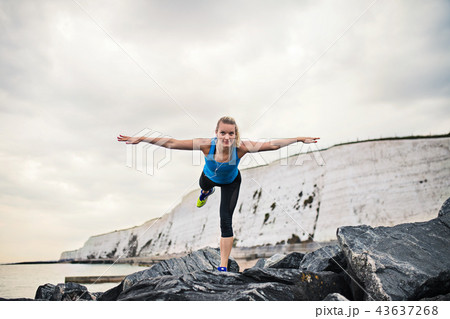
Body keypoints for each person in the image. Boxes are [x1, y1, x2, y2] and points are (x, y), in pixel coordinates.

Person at [117, 116, 319, 272]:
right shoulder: (206, 144)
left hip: (231, 183)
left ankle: (222, 266)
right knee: (203, 184)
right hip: (209, 178)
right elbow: (171, 143)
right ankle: (206, 192)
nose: (227, 137)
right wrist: (141, 138)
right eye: (223, 133)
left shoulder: (241, 148)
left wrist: (299, 139)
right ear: (216, 132)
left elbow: (272, 145)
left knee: (226, 221)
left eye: (231, 133)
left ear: (235, 134)